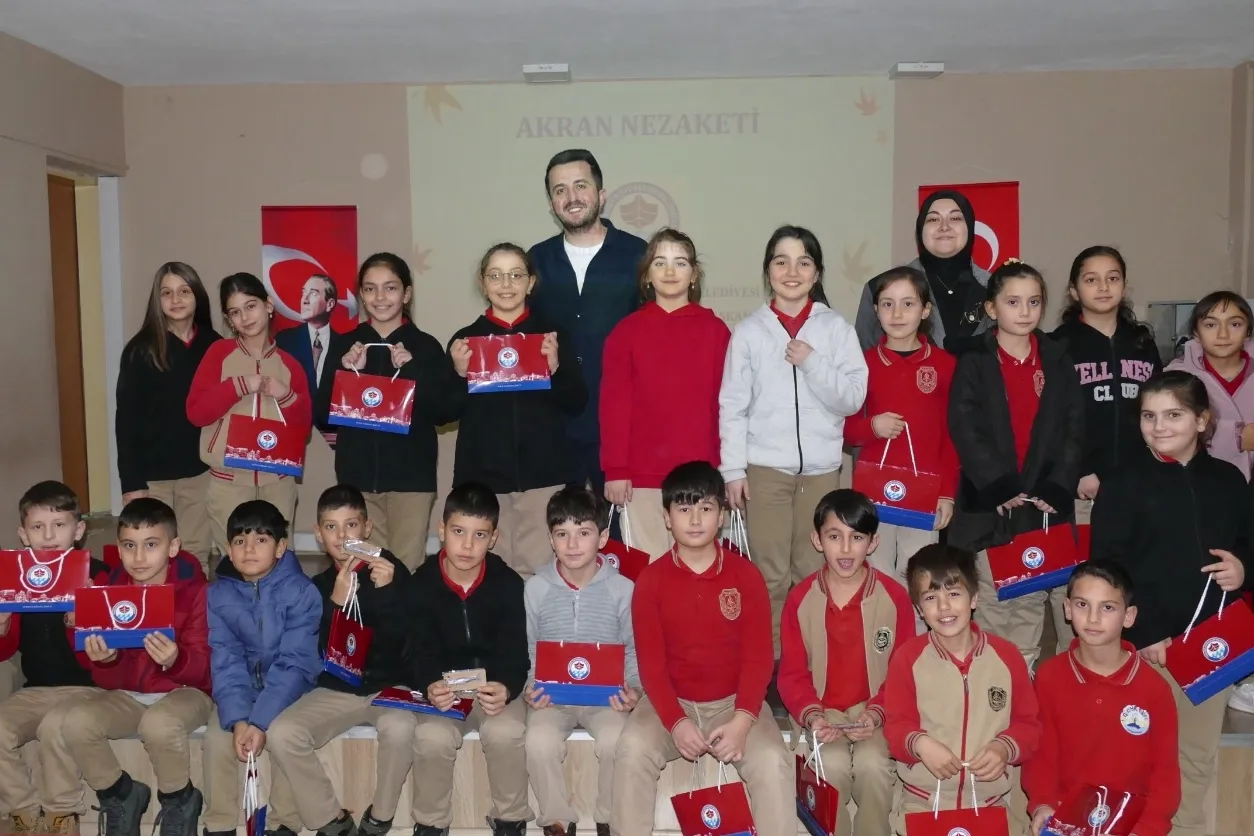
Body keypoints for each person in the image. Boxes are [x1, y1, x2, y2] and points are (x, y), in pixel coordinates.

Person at [1090, 371, 1248, 836]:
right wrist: (1144, 632)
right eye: (1149, 416)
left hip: (1210, 648)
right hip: (1145, 649)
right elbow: (1106, 568)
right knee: (1132, 757)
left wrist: (1243, 569)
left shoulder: (1229, 479)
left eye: (1173, 415)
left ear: (1201, 420)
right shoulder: (1124, 482)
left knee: (1194, 759)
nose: (1159, 427)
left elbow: (1247, 544)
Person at [612, 462, 793, 836]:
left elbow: (759, 659)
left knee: (773, 760)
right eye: (683, 509)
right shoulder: (650, 581)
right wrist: (676, 722)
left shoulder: (746, 576)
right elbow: (652, 666)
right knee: (631, 749)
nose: (695, 520)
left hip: (735, 703)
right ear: (667, 518)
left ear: (722, 516)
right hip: (669, 703)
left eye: (706, 508)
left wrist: (742, 721)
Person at [720, 225, 868, 659]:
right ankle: (769, 666)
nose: (792, 272)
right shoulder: (749, 331)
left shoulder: (836, 329)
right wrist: (733, 470)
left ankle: (808, 662)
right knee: (769, 574)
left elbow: (852, 398)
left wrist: (812, 362)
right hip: (765, 470)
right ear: (768, 271)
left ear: (817, 272)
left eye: (803, 262)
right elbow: (732, 405)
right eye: (781, 262)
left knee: (811, 571)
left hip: (822, 472)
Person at [947, 259, 1084, 669]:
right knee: (992, 600)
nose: (1025, 311)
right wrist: (1000, 485)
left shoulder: (1058, 358)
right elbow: (965, 426)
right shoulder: (974, 359)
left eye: (1034, 302)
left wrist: (1056, 486)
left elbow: (1074, 428)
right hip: (993, 504)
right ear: (992, 308)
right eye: (1013, 302)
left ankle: (1025, 682)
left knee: (1033, 601)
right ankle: (992, 683)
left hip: (1043, 504)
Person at [52, 498, 211, 836]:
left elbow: (205, 669)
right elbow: (98, 672)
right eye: (129, 546)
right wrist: (105, 657)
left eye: (151, 545)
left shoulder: (197, 592)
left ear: (173, 547)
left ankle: (179, 800)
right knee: (76, 721)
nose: (138, 557)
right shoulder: (109, 592)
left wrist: (176, 659)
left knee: (159, 724)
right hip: (128, 695)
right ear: (118, 548)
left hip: (186, 691)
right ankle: (120, 794)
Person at [267, 485, 414, 836]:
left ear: (367, 528)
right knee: (282, 732)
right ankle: (332, 820)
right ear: (318, 534)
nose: (342, 536)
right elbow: (316, 654)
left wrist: (388, 593)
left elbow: (407, 644)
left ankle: (379, 818)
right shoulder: (316, 585)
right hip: (337, 688)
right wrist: (335, 603)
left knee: (401, 728)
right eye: (331, 527)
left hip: (388, 686)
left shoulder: (393, 571)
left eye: (351, 525)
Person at [777, 490, 915, 836]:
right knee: (832, 766)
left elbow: (904, 673)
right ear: (817, 540)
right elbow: (792, 674)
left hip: (876, 712)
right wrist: (813, 716)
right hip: (824, 715)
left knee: (873, 766)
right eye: (834, 536)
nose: (845, 548)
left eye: (857, 538)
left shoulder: (894, 597)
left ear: (873, 543)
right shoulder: (800, 599)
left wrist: (876, 713)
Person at [447, 244, 587, 577]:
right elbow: (443, 412)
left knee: (538, 574)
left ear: (530, 282)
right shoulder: (465, 340)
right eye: (495, 276)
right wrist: (458, 374)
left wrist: (556, 370)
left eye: (515, 275)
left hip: (543, 479)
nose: (506, 284)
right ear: (483, 283)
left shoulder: (552, 336)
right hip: (483, 480)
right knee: (489, 576)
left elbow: (576, 402)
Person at [316, 253, 462, 571]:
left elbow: (446, 411)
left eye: (390, 288)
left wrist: (413, 371)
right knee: (364, 570)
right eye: (370, 289)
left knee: (405, 570)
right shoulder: (345, 346)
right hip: (357, 480)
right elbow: (322, 414)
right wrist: (345, 372)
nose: (380, 297)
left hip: (411, 484)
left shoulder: (425, 347)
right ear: (361, 295)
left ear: (406, 294)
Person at [883, 544, 1041, 831]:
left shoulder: (1007, 657)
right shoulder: (907, 659)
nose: (944, 607)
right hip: (922, 803)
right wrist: (920, 744)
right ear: (919, 609)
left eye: (954, 594)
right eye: (930, 597)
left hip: (990, 804)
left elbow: (1029, 725)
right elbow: (895, 727)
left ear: (975, 598)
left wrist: (1004, 748)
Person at [1050, 246, 1161, 654]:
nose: (1103, 287)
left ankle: (1122, 670)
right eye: (1091, 279)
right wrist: (1078, 471)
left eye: (1112, 278)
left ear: (1124, 285)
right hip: (1083, 490)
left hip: (1137, 485)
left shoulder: (1142, 342)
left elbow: (1158, 412)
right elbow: (1051, 420)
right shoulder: (1058, 344)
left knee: (1127, 580)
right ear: (1074, 290)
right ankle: (1075, 672)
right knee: (1083, 584)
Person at [1022, 560, 1180, 836]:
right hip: (1065, 822)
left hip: (1132, 827)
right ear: (1067, 609)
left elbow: (1165, 776)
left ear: (1129, 616)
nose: (1093, 618)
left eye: (1107, 607)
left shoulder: (1154, 688)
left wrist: (1145, 830)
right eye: (1082, 605)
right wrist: (1042, 805)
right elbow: (1041, 758)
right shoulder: (1050, 677)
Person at [600, 228, 731, 559]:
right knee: (648, 569)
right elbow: (614, 406)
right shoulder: (626, 332)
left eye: (680, 263)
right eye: (660, 263)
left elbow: (728, 407)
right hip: (642, 477)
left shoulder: (716, 331)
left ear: (694, 274)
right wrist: (616, 470)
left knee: (697, 568)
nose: (670, 271)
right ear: (646, 275)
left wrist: (728, 468)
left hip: (702, 472)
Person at [409, 483, 531, 836]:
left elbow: (517, 651)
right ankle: (430, 824)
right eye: (458, 532)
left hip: (494, 687)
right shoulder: (420, 585)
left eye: (479, 535)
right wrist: (430, 683)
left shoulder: (508, 584)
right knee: (432, 737)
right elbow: (416, 650)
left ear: (493, 539)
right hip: (446, 691)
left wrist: (506, 686)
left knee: (506, 732)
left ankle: (511, 820)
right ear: (441, 530)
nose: (467, 545)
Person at [528, 149, 648, 496]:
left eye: (580, 185)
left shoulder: (639, 255)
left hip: (622, 429)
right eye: (560, 190)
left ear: (601, 194)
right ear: (551, 204)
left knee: (620, 530)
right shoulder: (535, 260)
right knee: (558, 526)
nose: (572, 197)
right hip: (554, 428)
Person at [524, 486, 639, 836]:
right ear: (551, 539)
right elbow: (529, 647)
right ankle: (557, 819)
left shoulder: (623, 589)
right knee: (538, 741)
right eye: (562, 534)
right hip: (552, 698)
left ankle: (608, 817)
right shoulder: (536, 588)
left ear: (602, 538)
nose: (572, 544)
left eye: (584, 533)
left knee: (617, 740)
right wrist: (530, 686)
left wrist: (634, 690)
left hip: (606, 699)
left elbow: (633, 648)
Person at [201, 501, 321, 836]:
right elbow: (225, 659)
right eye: (240, 541)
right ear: (228, 549)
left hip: (294, 689)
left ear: (281, 548)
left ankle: (283, 824)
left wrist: (260, 720)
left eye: (261, 540)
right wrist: (240, 719)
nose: (249, 549)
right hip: (243, 691)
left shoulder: (302, 591)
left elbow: (295, 663)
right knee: (216, 738)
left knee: (283, 733)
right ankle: (219, 825)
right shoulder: (218, 594)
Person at [0, 482, 110, 836]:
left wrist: (81, 622)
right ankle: (23, 812)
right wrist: (2, 626)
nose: (48, 536)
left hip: (88, 690)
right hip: (34, 690)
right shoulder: (15, 577)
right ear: (23, 535)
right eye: (37, 527)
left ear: (78, 530)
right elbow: (6, 651)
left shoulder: (98, 574)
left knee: (55, 726)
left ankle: (62, 814)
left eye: (59, 525)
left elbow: (107, 657)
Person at [844, 266, 958, 592]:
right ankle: (880, 628)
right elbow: (845, 430)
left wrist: (947, 493)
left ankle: (917, 630)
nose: (897, 314)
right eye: (887, 304)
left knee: (920, 577)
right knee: (875, 577)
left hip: (926, 493)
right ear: (875, 310)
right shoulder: (861, 364)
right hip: (873, 493)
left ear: (925, 310)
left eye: (908, 304)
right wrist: (872, 426)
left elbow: (953, 436)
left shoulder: (945, 365)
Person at [185, 273, 312, 556]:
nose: (244, 317)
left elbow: (303, 430)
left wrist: (286, 395)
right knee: (235, 563)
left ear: (268, 305)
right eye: (235, 312)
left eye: (251, 306)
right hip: (229, 483)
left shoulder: (290, 364)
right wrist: (239, 385)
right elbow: (196, 413)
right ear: (229, 320)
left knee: (279, 562)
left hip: (278, 483)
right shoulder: (218, 354)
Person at [116, 262, 220, 565]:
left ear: (197, 296)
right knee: (151, 559)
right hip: (152, 480)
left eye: (184, 291)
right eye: (167, 293)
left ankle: (192, 599)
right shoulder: (140, 350)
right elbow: (126, 421)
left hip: (200, 473)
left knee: (194, 556)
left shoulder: (215, 345)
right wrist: (131, 484)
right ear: (157, 300)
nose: (176, 300)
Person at [856, 190, 990, 353]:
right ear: (920, 229)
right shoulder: (879, 288)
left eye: (955, 218)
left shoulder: (995, 288)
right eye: (933, 219)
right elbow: (863, 359)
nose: (944, 227)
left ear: (969, 226)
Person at [1166, 291, 1254, 479]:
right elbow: (1169, 431)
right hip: (1194, 481)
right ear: (1196, 333)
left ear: (1248, 332)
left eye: (1235, 324)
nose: (1223, 334)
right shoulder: (1176, 377)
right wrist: (1238, 437)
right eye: (1211, 325)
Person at [276, 273, 337, 393]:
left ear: (329, 304)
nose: (305, 300)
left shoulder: (345, 346)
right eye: (304, 292)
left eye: (313, 293)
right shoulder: (283, 341)